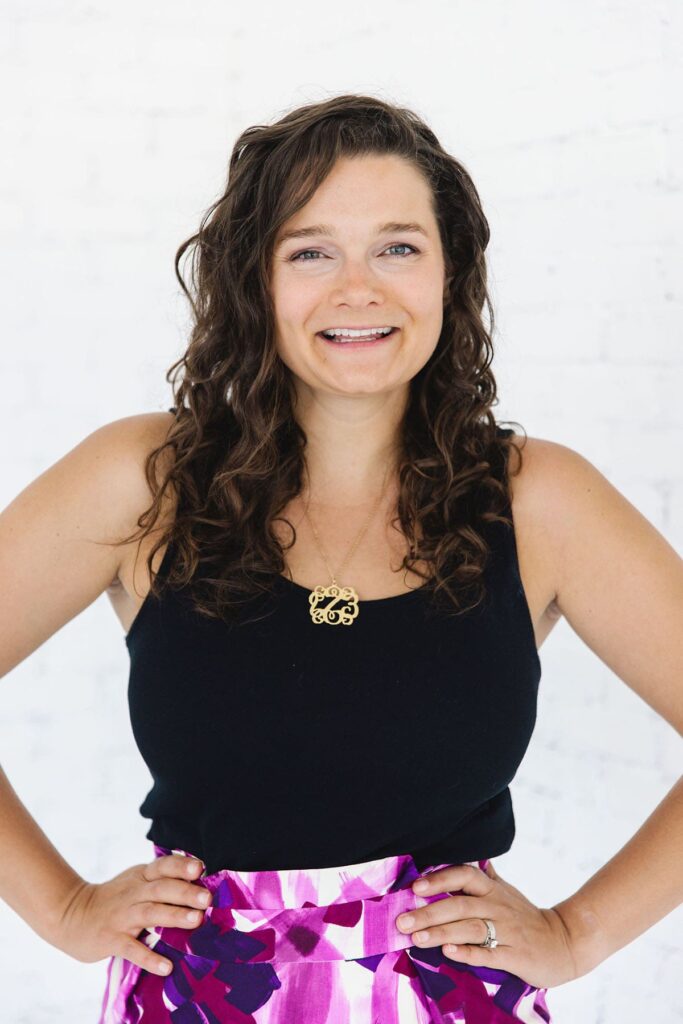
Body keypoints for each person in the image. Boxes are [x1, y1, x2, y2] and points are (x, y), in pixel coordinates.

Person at [1, 94, 681, 1024]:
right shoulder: (146, 479)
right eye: (310, 250)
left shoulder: (539, 498)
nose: (357, 289)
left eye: (397, 247)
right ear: (255, 281)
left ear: (450, 274)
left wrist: (577, 934)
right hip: (200, 998)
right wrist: (63, 909)